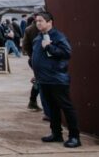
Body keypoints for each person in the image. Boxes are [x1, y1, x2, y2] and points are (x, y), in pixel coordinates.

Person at [32, 12, 81, 148]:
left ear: (50, 22)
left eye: (41, 21)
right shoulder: (38, 38)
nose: (38, 23)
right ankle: (56, 134)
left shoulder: (58, 36)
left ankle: (74, 136)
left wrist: (49, 47)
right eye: (36, 21)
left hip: (57, 79)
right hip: (44, 79)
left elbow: (66, 53)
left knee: (66, 107)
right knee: (52, 108)